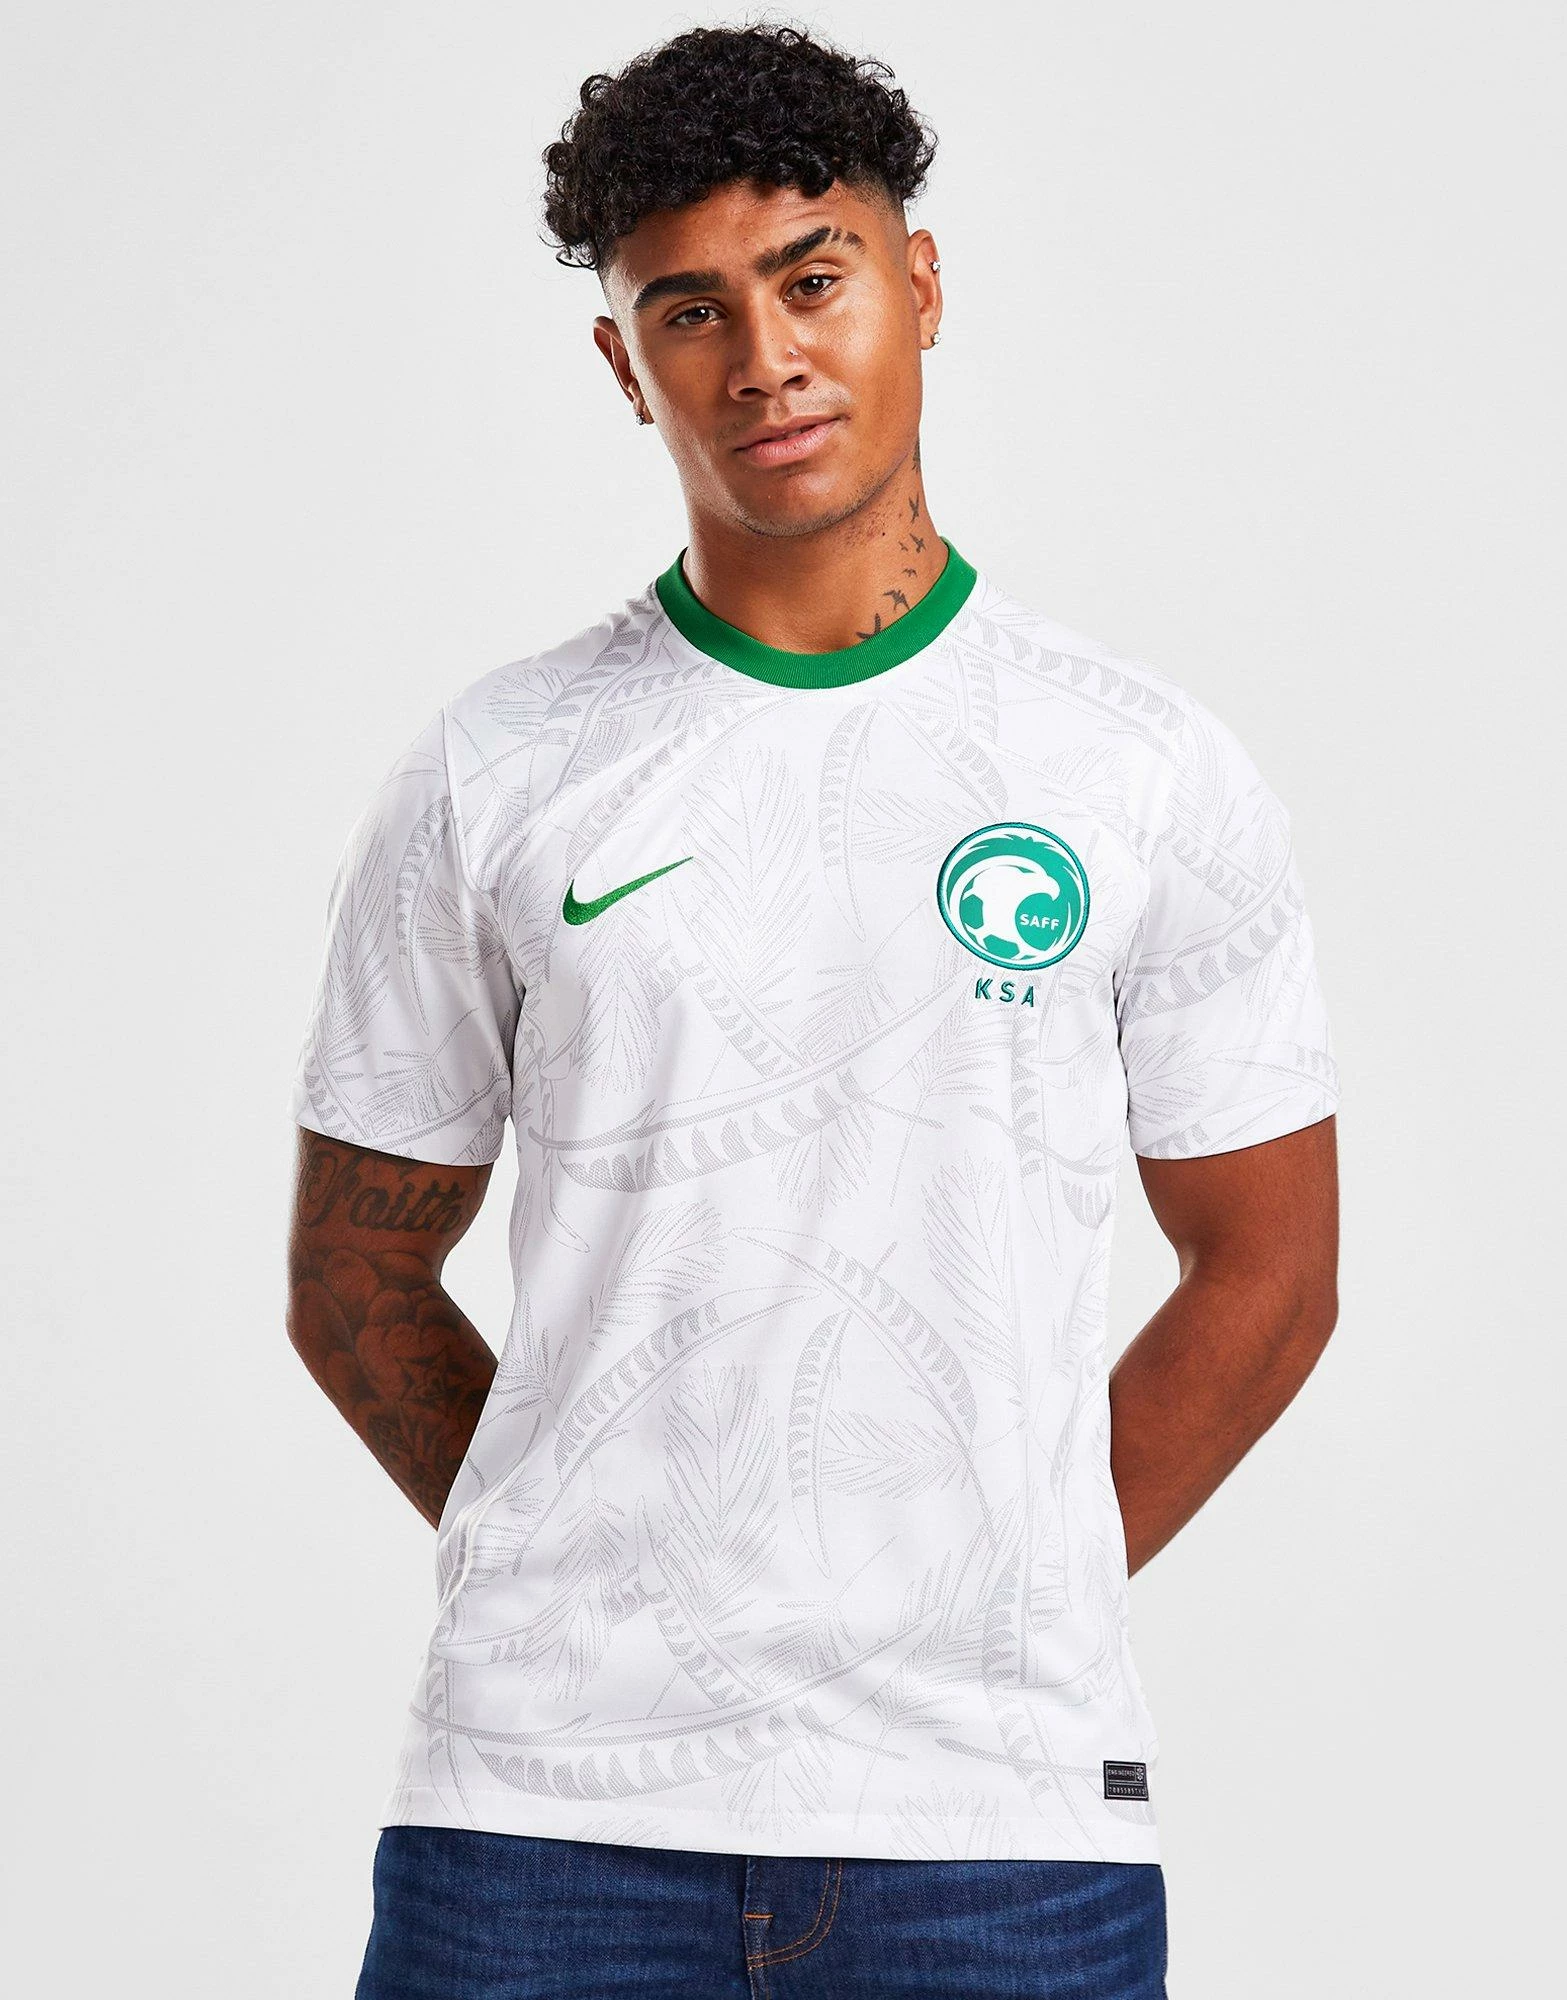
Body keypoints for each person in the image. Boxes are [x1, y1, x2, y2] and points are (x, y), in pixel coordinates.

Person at [286, 20, 1341, 1998]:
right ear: (626, 366)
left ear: (918, 285)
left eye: (810, 277)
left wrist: (1003, 1580)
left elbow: (1270, 1270)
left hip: (996, 1836)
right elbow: (353, 1277)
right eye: (688, 310)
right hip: (540, 1824)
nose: (762, 356)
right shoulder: (493, 772)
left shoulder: (1137, 769)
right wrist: (577, 1554)